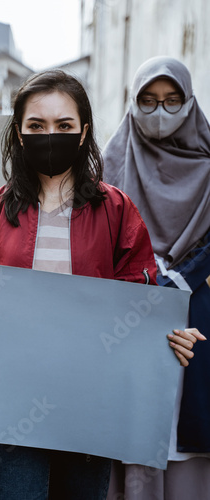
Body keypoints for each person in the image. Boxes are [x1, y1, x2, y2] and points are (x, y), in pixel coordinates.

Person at [0, 69, 205, 500]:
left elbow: (144, 303)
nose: (51, 135)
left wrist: (169, 335)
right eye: (36, 126)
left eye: (64, 126)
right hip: (7, 406)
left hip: (91, 404)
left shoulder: (118, 211)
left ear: (83, 133)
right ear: (19, 134)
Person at [103, 56, 210, 499]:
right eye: (147, 101)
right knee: (132, 434)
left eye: (171, 101)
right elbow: (99, 237)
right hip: (129, 315)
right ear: (132, 103)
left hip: (198, 318)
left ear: (189, 103)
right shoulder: (110, 161)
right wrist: (149, 280)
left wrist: (182, 279)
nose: (159, 112)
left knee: (187, 439)